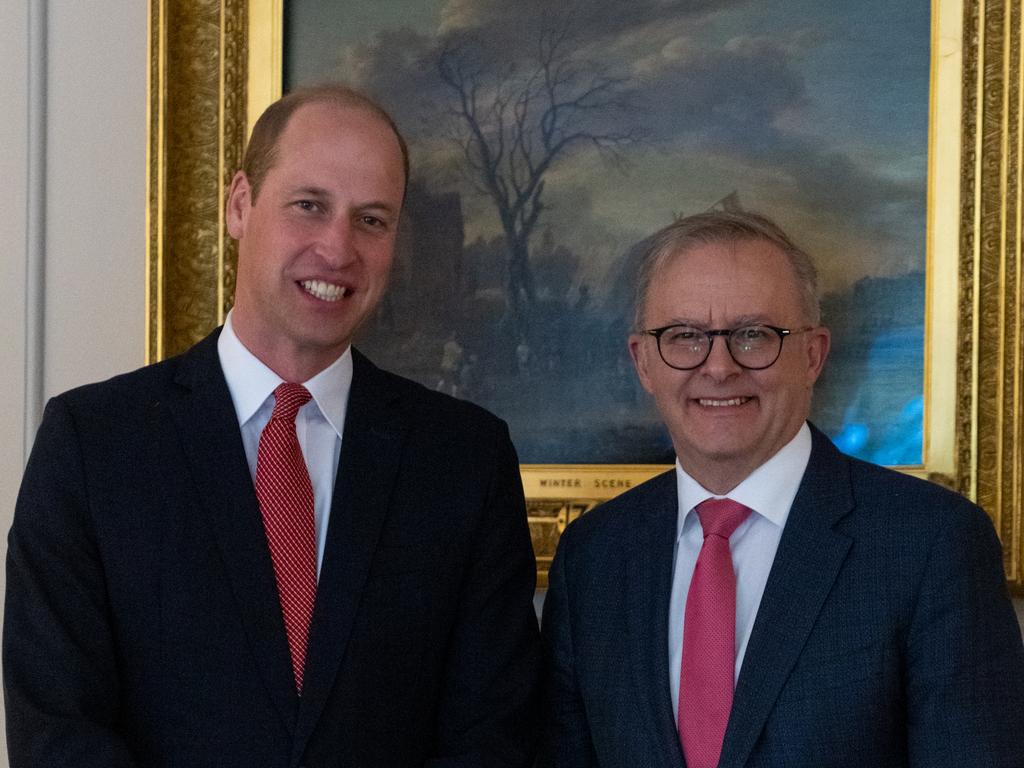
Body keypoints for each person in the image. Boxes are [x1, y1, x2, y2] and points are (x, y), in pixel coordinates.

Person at [5, 85, 540, 768]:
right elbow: (58, 730)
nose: (338, 247)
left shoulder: (465, 460)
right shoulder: (92, 443)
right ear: (239, 205)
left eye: (371, 220)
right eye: (309, 205)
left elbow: (493, 736)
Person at [539, 211, 1024, 767]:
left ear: (812, 355)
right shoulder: (593, 556)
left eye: (753, 335)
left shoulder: (933, 545)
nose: (718, 367)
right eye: (684, 337)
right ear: (644, 362)